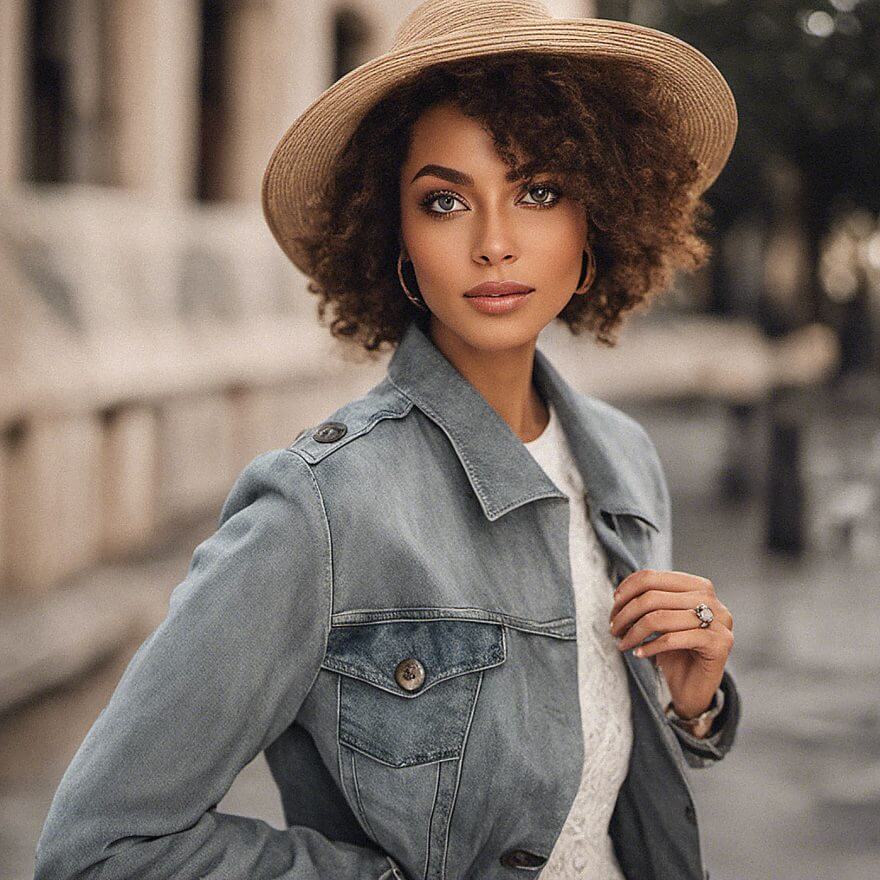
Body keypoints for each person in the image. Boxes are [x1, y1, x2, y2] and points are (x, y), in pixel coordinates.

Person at [35, 1, 741, 878]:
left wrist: (694, 708)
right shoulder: (321, 506)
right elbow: (101, 848)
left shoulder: (623, 458)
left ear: (597, 219)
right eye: (444, 201)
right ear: (395, 234)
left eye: (540, 191)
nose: (493, 243)